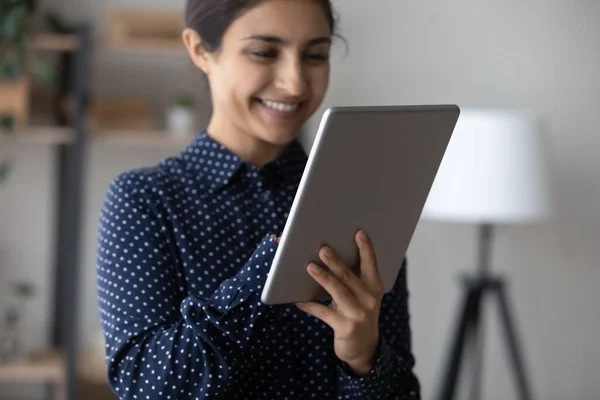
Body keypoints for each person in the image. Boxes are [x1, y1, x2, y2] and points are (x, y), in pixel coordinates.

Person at [96, 0, 421, 398]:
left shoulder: (366, 200)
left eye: (315, 55)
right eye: (264, 52)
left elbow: (405, 391)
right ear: (200, 50)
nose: (296, 83)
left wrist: (363, 358)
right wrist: (267, 271)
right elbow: (147, 386)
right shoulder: (145, 201)